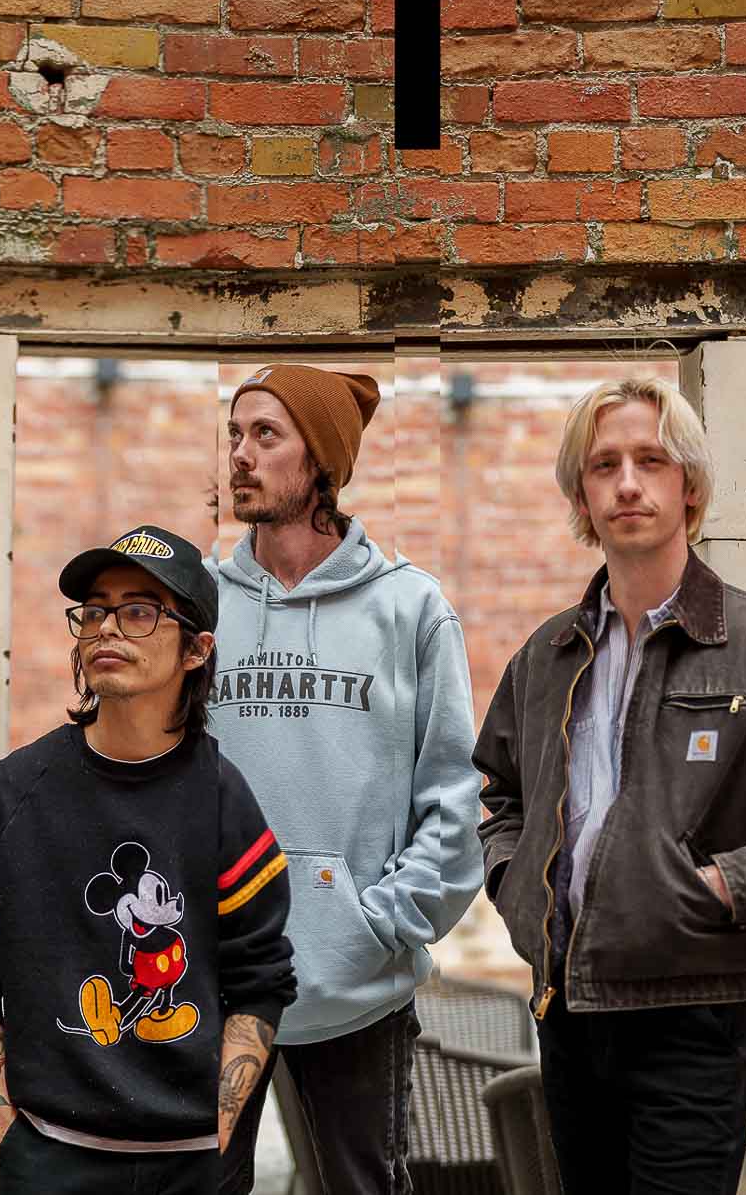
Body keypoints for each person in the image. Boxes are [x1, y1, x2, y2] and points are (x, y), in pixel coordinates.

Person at [473, 376, 746, 1195]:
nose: (629, 483)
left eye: (651, 459)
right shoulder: (547, 658)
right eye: (604, 465)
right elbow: (501, 795)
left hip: (695, 1014)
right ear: (582, 492)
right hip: (567, 1013)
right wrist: (515, 885)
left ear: (690, 484)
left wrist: (726, 884)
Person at [0, 524, 295, 1195]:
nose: (108, 628)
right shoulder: (16, 793)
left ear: (196, 650)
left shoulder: (225, 800)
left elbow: (262, 979)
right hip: (50, 1157)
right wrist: (5, 1133)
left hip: (192, 1164)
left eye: (139, 610)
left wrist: (219, 1137)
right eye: (95, 610)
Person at [208, 364, 482, 1195]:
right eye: (234, 435)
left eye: (266, 435)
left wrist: (384, 923)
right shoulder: (200, 606)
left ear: (322, 459)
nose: (241, 457)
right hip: (215, 982)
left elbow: (456, 794)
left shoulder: (410, 608)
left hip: (360, 988)